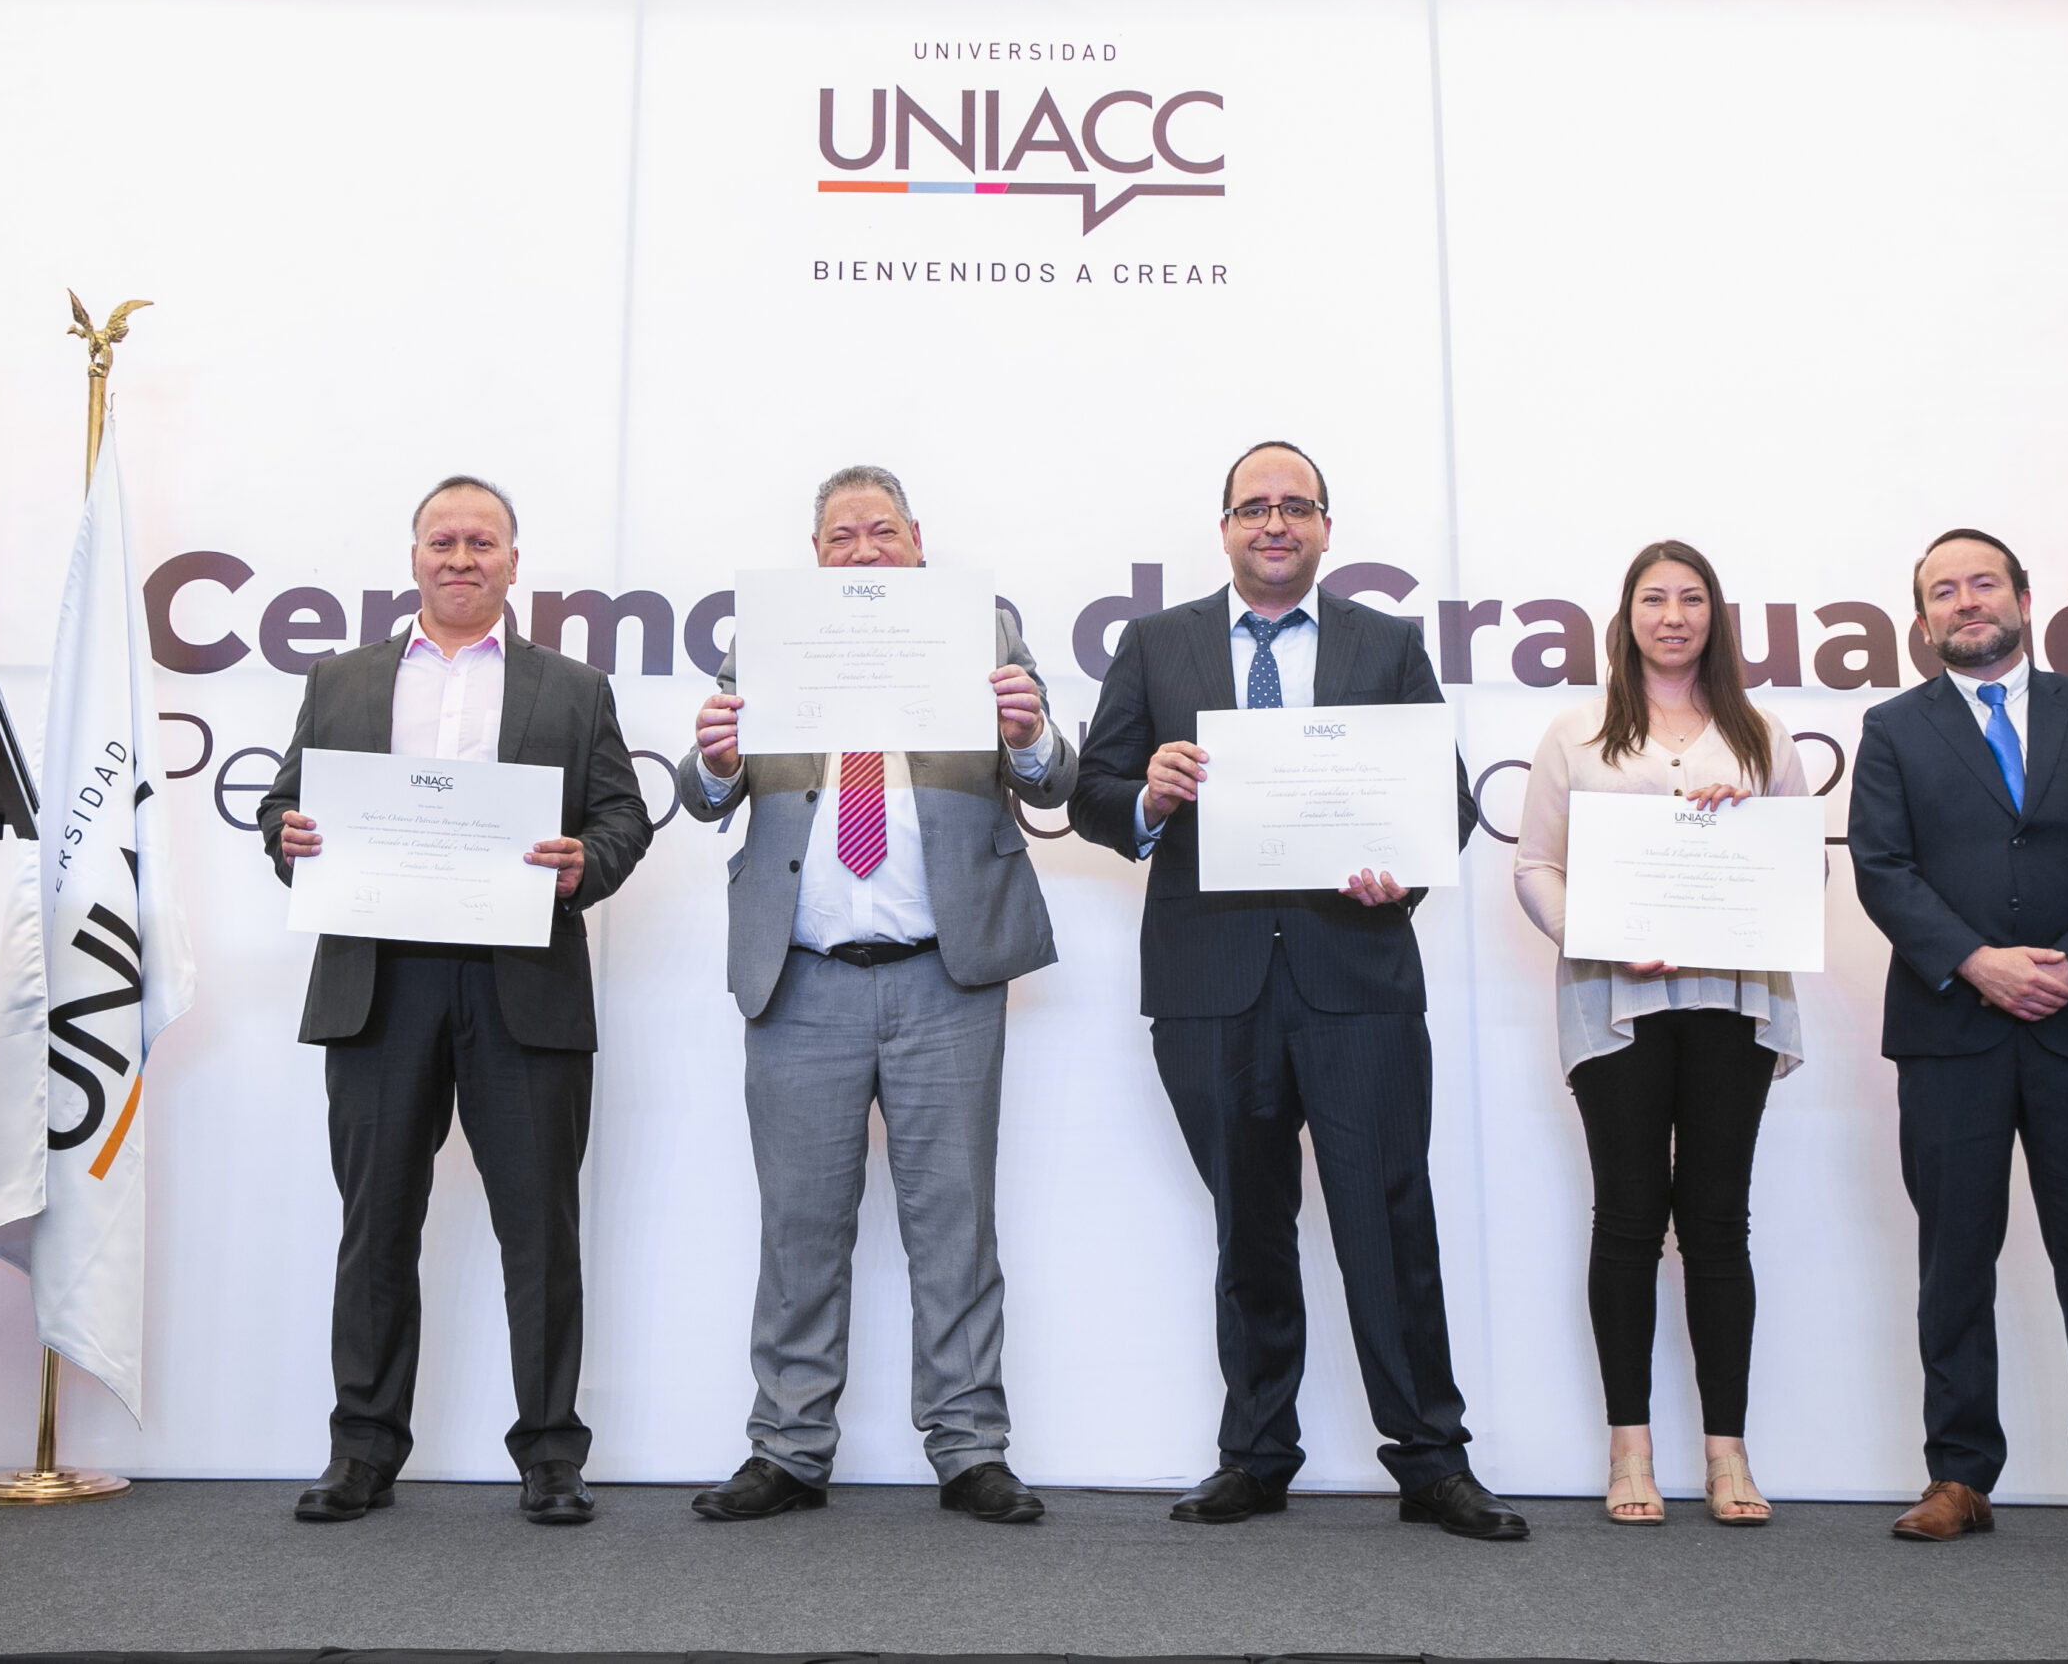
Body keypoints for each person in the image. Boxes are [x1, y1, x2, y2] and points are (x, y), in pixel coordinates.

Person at [1070, 440, 1525, 1541]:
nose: (1274, 523)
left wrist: (1400, 869)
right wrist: (1148, 797)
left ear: (1326, 527)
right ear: (1224, 527)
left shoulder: (1388, 643)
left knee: (1388, 1218)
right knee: (1249, 1226)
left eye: (1295, 506)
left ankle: (1432, 1459)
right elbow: (1090, 795)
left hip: (1355, 974)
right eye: (1253, 507)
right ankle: (1256, 1453)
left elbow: (1446, 804)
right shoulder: (1155, 643)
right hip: (1209, 983)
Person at [674, 464, 1076, 1525]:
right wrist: (714, 762)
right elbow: (703, 795)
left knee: (955, 1225)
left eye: (881, 531)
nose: (863, 549)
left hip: (944, 973)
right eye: (842, 535)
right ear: (815, 556)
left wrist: (1029, 734)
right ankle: (788, 1449)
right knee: (799, 1228)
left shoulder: (983, 628)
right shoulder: (766, 640)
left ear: (917, 539)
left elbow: (1053, 780)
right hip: (800, 976)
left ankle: (970, 1449)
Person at [258, 475, 654, 1526]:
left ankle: (552, 1455)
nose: (462, 557)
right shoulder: (340, 680)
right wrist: (287, 835)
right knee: (376, 1225)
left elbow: (624, 817)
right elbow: (285, 805)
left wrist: (588, 860)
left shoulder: (575, 690)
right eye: (443, 541)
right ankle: (362, 1449)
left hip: (523, 983)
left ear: (514, 562)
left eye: (483, 542)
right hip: (378, 981)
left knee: (541, 1230)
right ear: (414, 558)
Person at [1848, 528, 2068, 1553]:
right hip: (1949, 1031)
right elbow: (1881, 867)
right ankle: (1958, 1475)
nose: (1965, 601)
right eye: (1943, 591)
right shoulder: (1892, 729)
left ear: (2024, 600)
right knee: (1954, 1260)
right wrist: (1978, 962)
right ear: (1922, 621)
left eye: (1982, 583)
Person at [1514, 540, 1807, 1528]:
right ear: (1626, 615)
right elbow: (1534, 866)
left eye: (1691, 599)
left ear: (1714, 616)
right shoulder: (1577, 732)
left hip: (1733, 1002)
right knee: (1629, 1219)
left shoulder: (1760, 735)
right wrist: (1595, 932)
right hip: (1617, 1005)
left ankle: (1728, 1455)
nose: (1673, 616)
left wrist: (1743, 826)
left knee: (1718, 1224)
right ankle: (1628, 1450)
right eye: (1653, 598)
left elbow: (1801, 871)